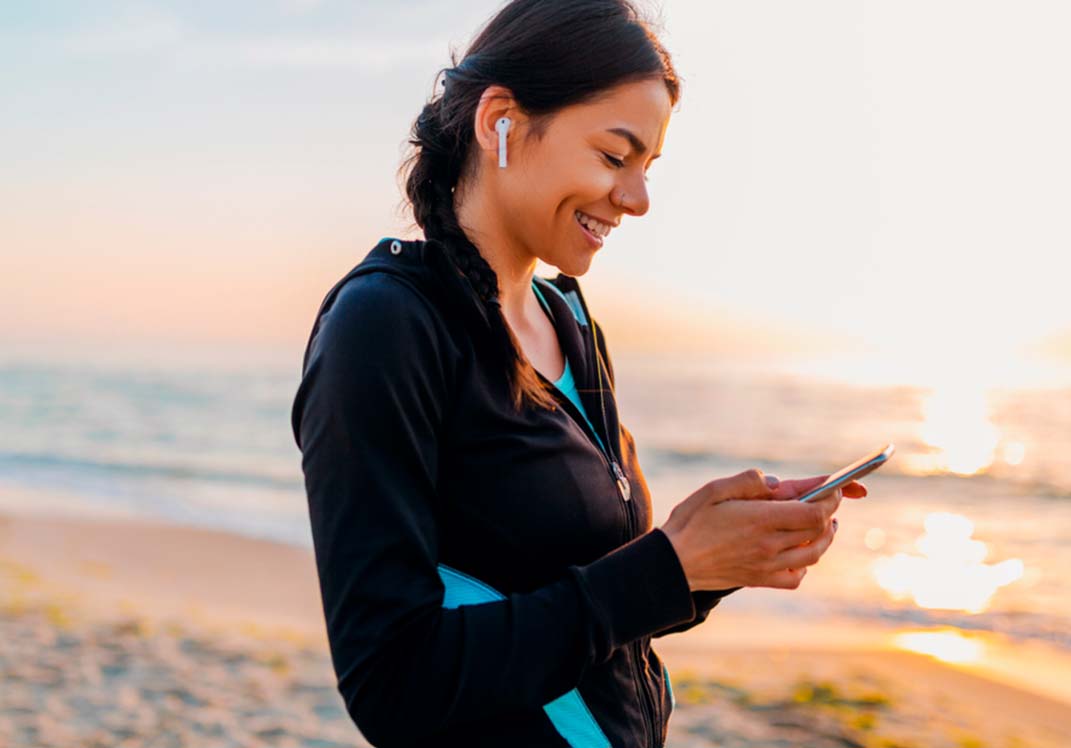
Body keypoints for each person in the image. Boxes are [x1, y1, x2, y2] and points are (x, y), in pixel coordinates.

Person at [289, 1, 867, 746]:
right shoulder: (385, 327)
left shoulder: (569, 318)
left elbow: (593, 603)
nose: (638, 199)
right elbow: (393, 682)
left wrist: (719, 555)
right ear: (500, 120)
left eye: (648, 167)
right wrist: (667, 566)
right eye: (613, 156)